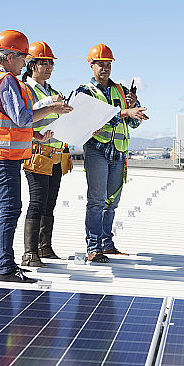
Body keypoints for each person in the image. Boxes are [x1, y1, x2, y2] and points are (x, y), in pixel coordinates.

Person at [0, 30, 72, 283]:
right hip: (2, 155)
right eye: (23, 58)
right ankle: (7, 268)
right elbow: (22, 117)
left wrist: (33, 137)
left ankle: (1, 261)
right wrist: (52, 108)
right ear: (10, 57)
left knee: (1, 209)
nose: (25, 63)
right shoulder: (6, 81)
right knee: (10, 209)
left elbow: (10, 122)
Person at [77, 44, 148, 263]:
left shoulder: (120, 91)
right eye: (100, 64)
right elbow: (92, 119)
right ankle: (93, 248)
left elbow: (131, 124)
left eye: (108, 64)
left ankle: (107, 244)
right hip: (97, 149)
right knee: (96, 201)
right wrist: (125, 111)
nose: (105, 68)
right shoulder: (84, 92)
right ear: (91, 65)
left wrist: (134, 110)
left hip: (118, 153)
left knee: (111, 202)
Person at [20, 41, 73, 267]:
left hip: (56, 154)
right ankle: (30, 252)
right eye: (44, 63)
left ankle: (45, 247)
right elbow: (23, 119)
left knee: (50, 203)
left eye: (51, 63)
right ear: (31, 65)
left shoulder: (55, 92)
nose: (49, 67)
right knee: (37, 202)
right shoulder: (25, 89)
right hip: (36, 153)